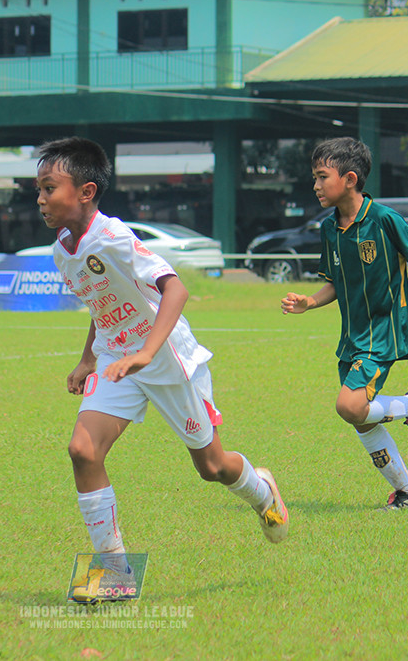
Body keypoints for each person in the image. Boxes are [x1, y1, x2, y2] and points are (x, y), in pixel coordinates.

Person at [36, 137, 288, 601]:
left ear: (86, 192)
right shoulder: (62, 250)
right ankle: (115, 574)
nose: (41, 198)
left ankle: (262, 491)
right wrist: (89, 357)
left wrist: (147, 353)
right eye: (39, 189)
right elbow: (100, 301)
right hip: (117, 359)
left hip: (167, 359)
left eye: (49, 188)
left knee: (212, 467)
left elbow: (175, 289)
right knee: (83, 451)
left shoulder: (113, 236)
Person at [280, 137, 408, 510]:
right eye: (314, 177)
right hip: (352, 338)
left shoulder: (384, 219)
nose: (315, 185)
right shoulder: (329, 229)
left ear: (350, 179)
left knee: (349, 406)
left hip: (383, 332)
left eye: (322, 176)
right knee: (362, 418)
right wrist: (310, 302)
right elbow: (335, 283)